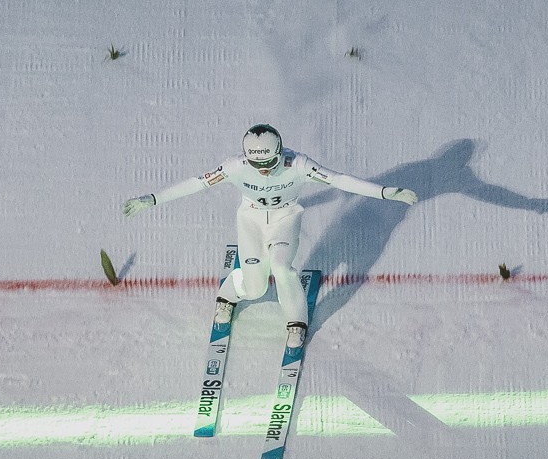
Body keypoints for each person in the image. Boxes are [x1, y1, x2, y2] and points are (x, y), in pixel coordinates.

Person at [123, 124, 418, 348]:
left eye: (269, 164)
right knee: (254, 288)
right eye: (257, 165)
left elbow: (338, 179)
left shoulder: (298, 164)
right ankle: (228, 295)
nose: (264, 171)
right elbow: (197, 183)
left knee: (281, 267)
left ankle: (296, 321)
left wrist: (384, 192)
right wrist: (153, 199)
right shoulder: (234, 167)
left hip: (284, 219)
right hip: (250, 221)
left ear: (280, 152)